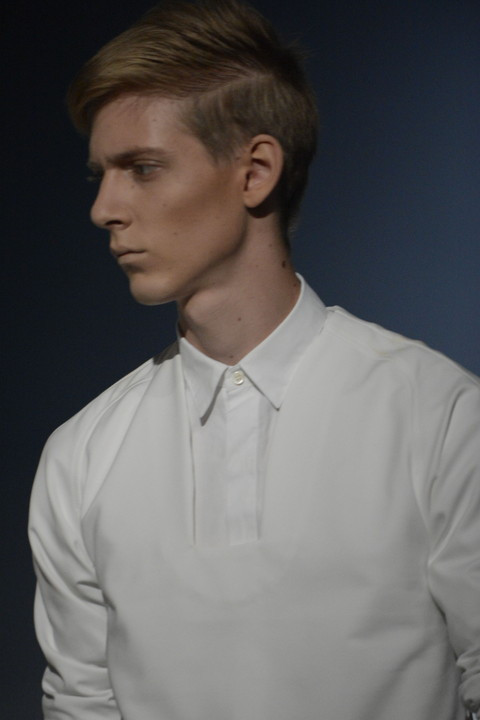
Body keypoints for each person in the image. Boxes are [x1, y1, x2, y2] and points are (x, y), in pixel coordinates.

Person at [29, 1, 480, 718]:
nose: (104, 208)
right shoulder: (80, 458)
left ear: (256, 171)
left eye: (142, 168)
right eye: (100, 175)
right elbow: (82, 704)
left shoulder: (440, 417)